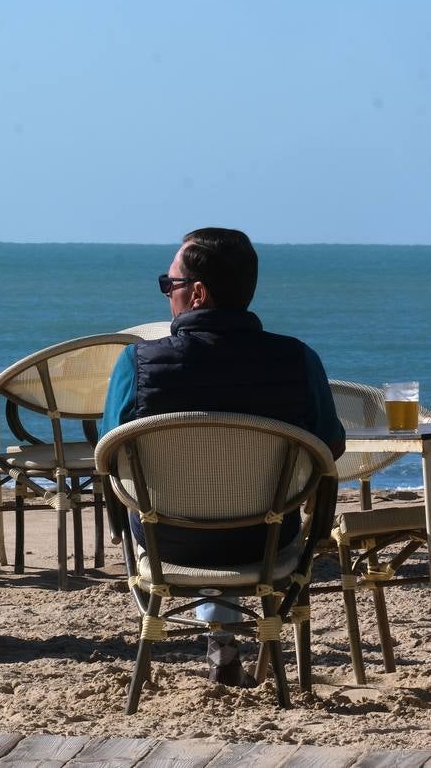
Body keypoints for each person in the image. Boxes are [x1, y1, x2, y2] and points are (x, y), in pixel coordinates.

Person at [100, 227, 345, 685]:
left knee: (174, 499)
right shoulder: (297, 360)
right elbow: (330, 447)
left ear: (196, 293)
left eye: (168, 285)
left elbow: (109, 453)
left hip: (168, 539)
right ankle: (227, 636)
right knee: (249, 503)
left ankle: (219, 635)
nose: (165, 295)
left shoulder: (138, 364)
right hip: (267, 538)